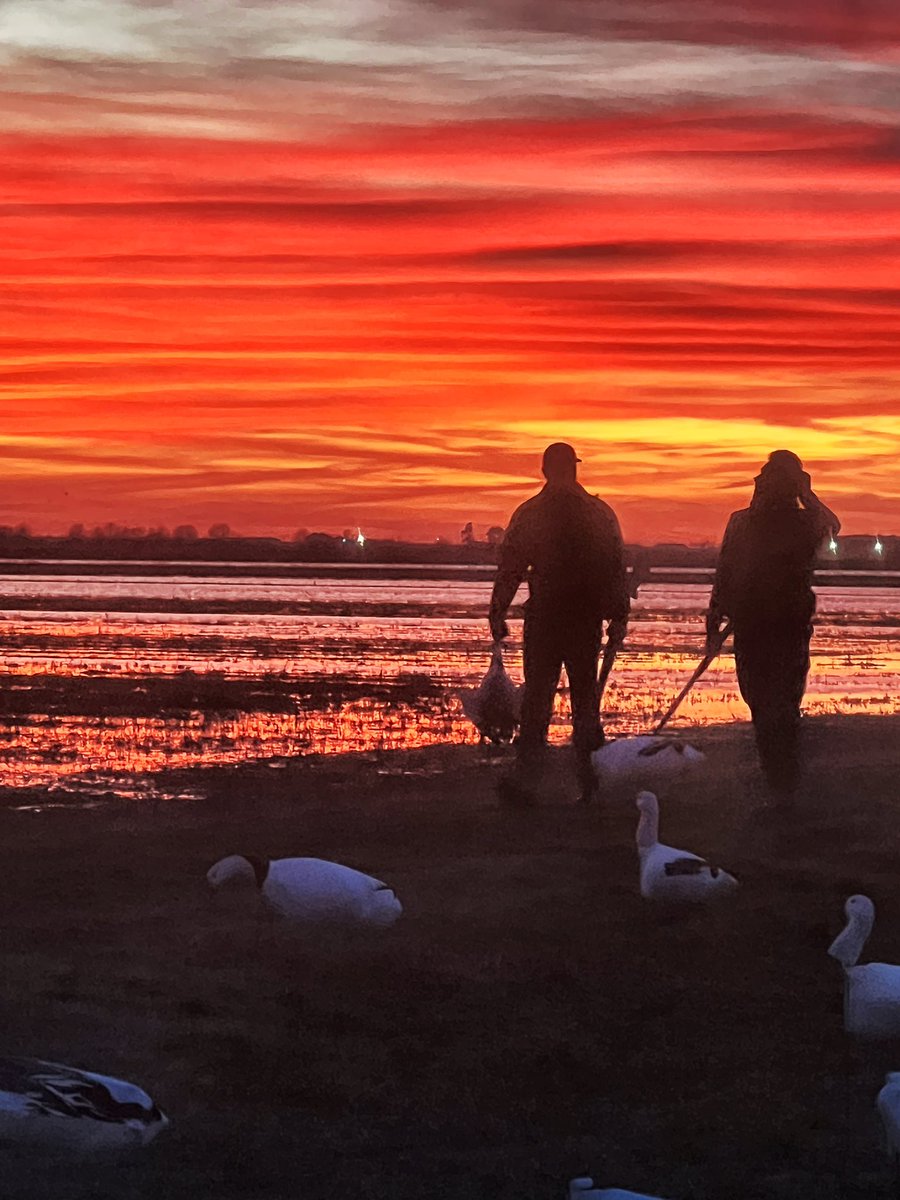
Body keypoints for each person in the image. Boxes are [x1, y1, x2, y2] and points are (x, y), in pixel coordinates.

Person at [488, 442, 630, 805]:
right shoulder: (597, 513)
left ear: (545, 470)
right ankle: (579, 782)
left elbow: (511, 568)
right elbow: (615, 569)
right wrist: (618, 617)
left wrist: (498, 611)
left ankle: (555, 781)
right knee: (574, 700)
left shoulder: (533, 513)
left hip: (558, 618)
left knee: (546, 699)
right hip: (573, 619)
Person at [705, 450, 840, 804]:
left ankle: (782, 779)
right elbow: (726, 571)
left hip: (784, 624)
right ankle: (780, 777)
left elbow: (832, 527)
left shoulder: (802, 523)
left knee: (778, 702)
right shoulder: (748, 521)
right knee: (768, 701)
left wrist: (806, 495)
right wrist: (715, 616)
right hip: (758, 623)